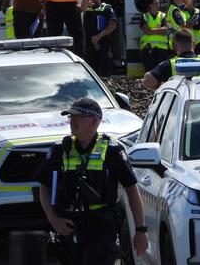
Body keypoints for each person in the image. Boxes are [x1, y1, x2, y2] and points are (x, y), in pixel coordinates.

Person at [34, 98, 148, 265]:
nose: (72, 121)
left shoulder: (112, 149)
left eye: (78, 117)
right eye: (70, 117)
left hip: (100, 228)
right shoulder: (60, 149)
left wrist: (140, 230)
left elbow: (132, 190)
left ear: (95, 121)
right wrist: (53, 219)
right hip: (68, 228)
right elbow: (43, 188)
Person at [83, 0, 117, 76]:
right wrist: (84, 8)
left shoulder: (106, 8)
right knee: (91, 72)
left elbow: (112, 25)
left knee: (104, 70)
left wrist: (99, 36)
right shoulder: (86, 9)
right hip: (89, 45)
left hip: (103, 43)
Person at [139, 0, 170, 72]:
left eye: (158, 3)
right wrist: (160, 30)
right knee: (149, 71)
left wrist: (152, 30)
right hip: (148, 48)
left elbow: (165, 30)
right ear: (150, 5)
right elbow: (147, 31)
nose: (157, 5)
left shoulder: (162, 15)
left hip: (162, 49)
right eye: (155, 3)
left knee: (162, 71)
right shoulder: (144, 16)